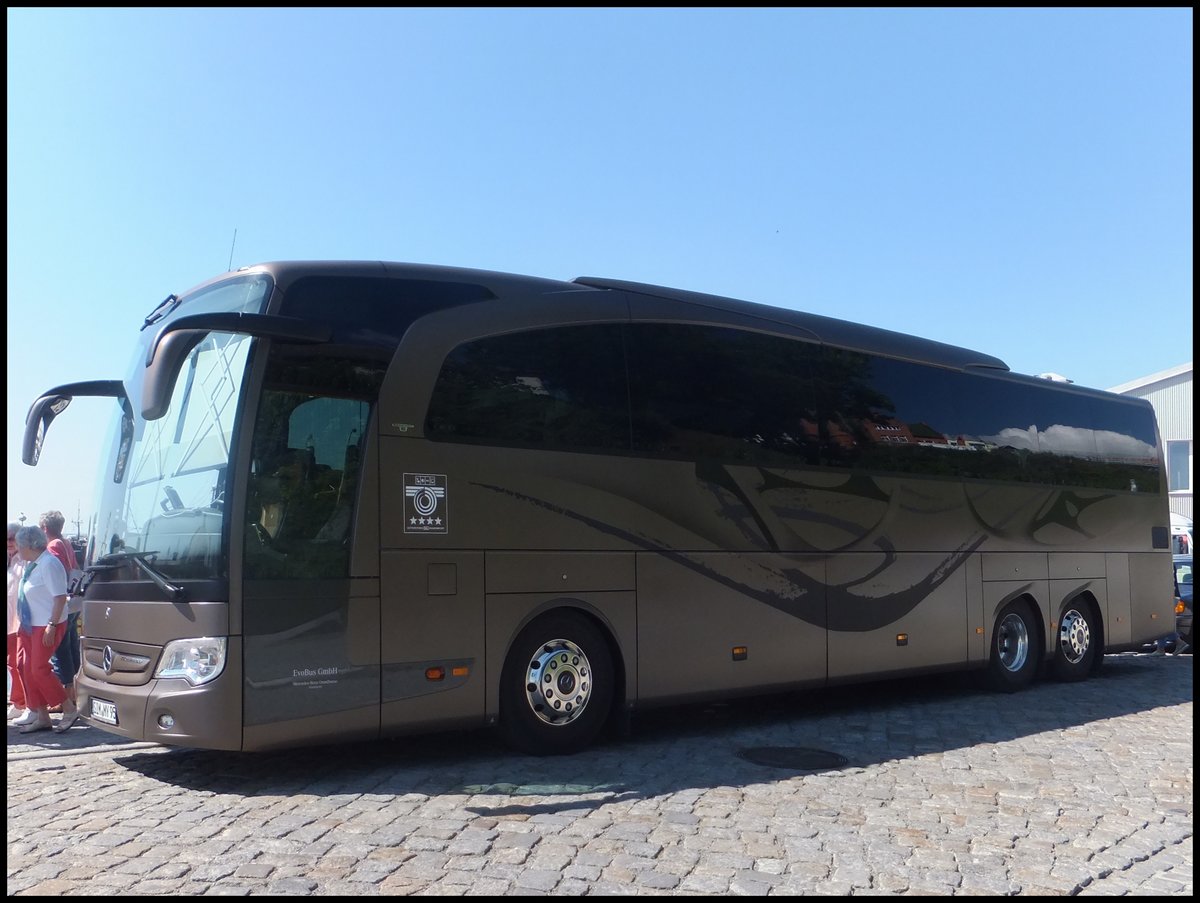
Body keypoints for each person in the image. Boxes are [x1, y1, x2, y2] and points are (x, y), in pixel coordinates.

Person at [12, 524, 70, 733]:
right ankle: (42, 716)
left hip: (45, 624)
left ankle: (69, 708)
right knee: (26, 669)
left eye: (19, 545)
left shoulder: (48, 563)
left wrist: (52, 625)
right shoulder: (34, 563)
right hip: (30, 624)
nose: (17, 549)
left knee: (38, 669)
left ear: (29, 545)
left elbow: (60, 597)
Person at [40, 510, 81, 731]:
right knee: (72, 648)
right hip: (74, 602)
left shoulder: (53, 545)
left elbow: (58, 573)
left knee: (61, 652)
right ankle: (75, 693)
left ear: (45, 527)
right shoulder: (65, 542)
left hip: (63, 603)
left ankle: (66, 697)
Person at [7, 522, 28, 722]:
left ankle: (23, 703)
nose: (8, 543)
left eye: (12, 538)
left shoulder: (24, 561)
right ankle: (18, 701)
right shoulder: (11, 561)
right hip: (9, 620)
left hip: (18, 621)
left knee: (18, 663)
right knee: (12, 664)